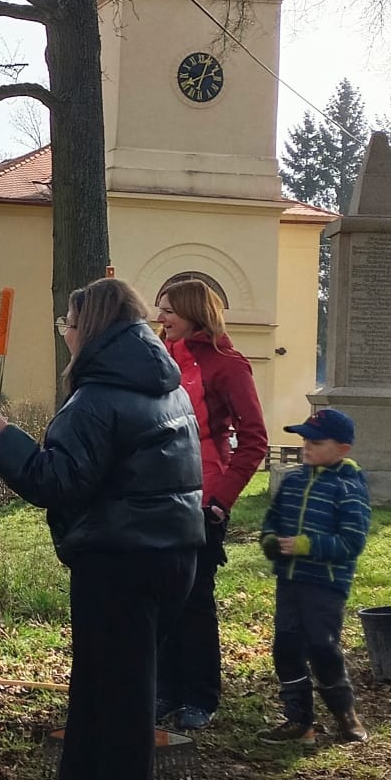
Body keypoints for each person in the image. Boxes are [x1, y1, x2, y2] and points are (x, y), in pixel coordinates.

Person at [0, 278, 204, 780]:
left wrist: (8, 441)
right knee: (113, 685)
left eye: (68, 323)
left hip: (120, 561)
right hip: (173, 557)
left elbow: (58, 480)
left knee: (117, 692)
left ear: (91, 327)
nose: (66, 334)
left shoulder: (99, 396)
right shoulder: (166, 388)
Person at [155, 279, 268, 730]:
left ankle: (200, 697)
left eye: (168, 311)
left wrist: (221, 500)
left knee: (195, 599)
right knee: (161, 596)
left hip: (204, 498)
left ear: (192, 314)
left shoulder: (228, 366)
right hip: (158, 495)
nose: (160, 318)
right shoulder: (157, 359)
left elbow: (254, 439)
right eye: (159, 309)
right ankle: (164, 691)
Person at [259, 407, 371, 747]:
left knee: (323, 647)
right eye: (304, 439)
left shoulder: (348, 488)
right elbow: (272, 519)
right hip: (289, 581)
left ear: (342, 449)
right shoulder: (292, 481)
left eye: (316, 442)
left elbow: (352, 542)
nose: (306, 447)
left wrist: (308, 545)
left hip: (325, 585)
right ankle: (299, 720)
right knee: (286, 646)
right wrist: (269, 541)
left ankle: (345, 715)